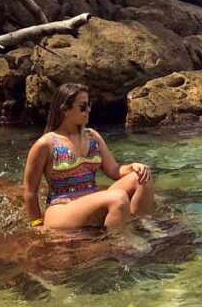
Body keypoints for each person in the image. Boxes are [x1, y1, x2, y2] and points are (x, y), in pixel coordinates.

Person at [23, 82, 154, 230]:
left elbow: (114, 171)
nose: (89, 110)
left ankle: (143, 227)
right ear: (64, 110)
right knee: (118, 197)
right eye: (83, 106)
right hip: (61, 209)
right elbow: (30, 191)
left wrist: (133, 167)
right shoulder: (46, 144)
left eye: (89, 105)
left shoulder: (93, 137)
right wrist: (36, 224)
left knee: (142, 176)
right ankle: (119, 243)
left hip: (91, 199)